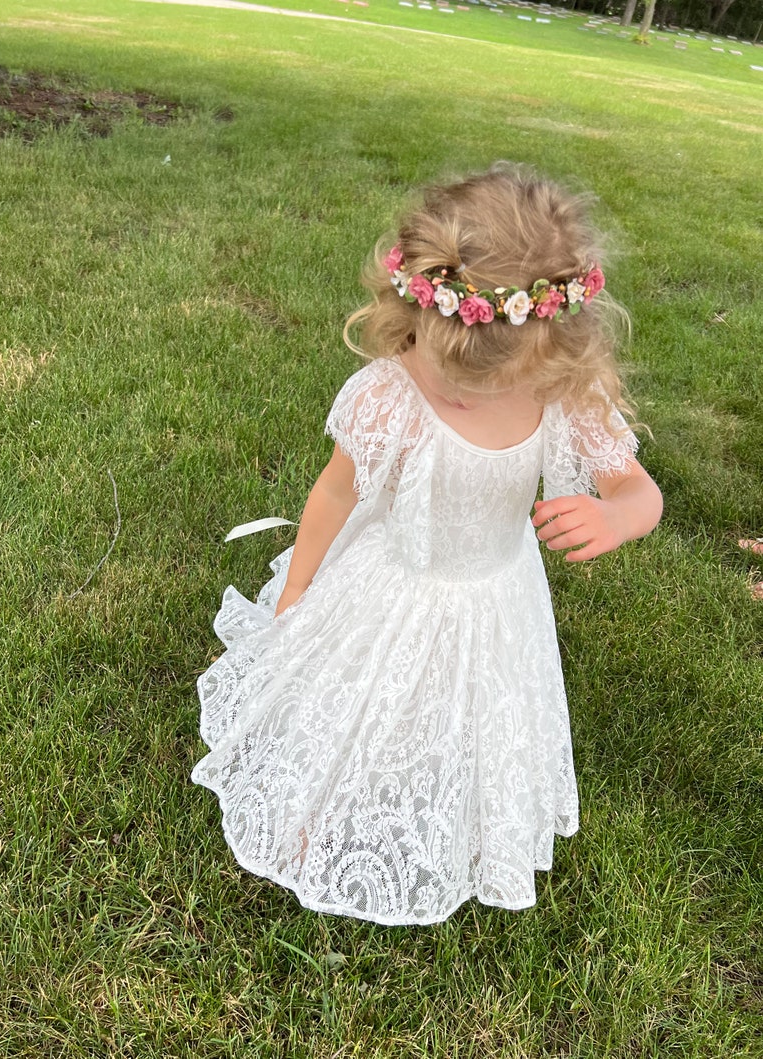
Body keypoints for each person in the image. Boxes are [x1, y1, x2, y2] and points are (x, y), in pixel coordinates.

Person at [191, 163, 663, 925]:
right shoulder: (392, 389)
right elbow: (337, 491)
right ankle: (320, 805)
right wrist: (298, 585)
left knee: (457, 727)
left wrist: (616, 517)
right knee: (364, 712)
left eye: (474, 388)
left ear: (548, 347)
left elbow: (642, 493)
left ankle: (462, 815)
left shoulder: (562, 394)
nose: (449, 391)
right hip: (393, 583)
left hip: (496, 601)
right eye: (438, 370)